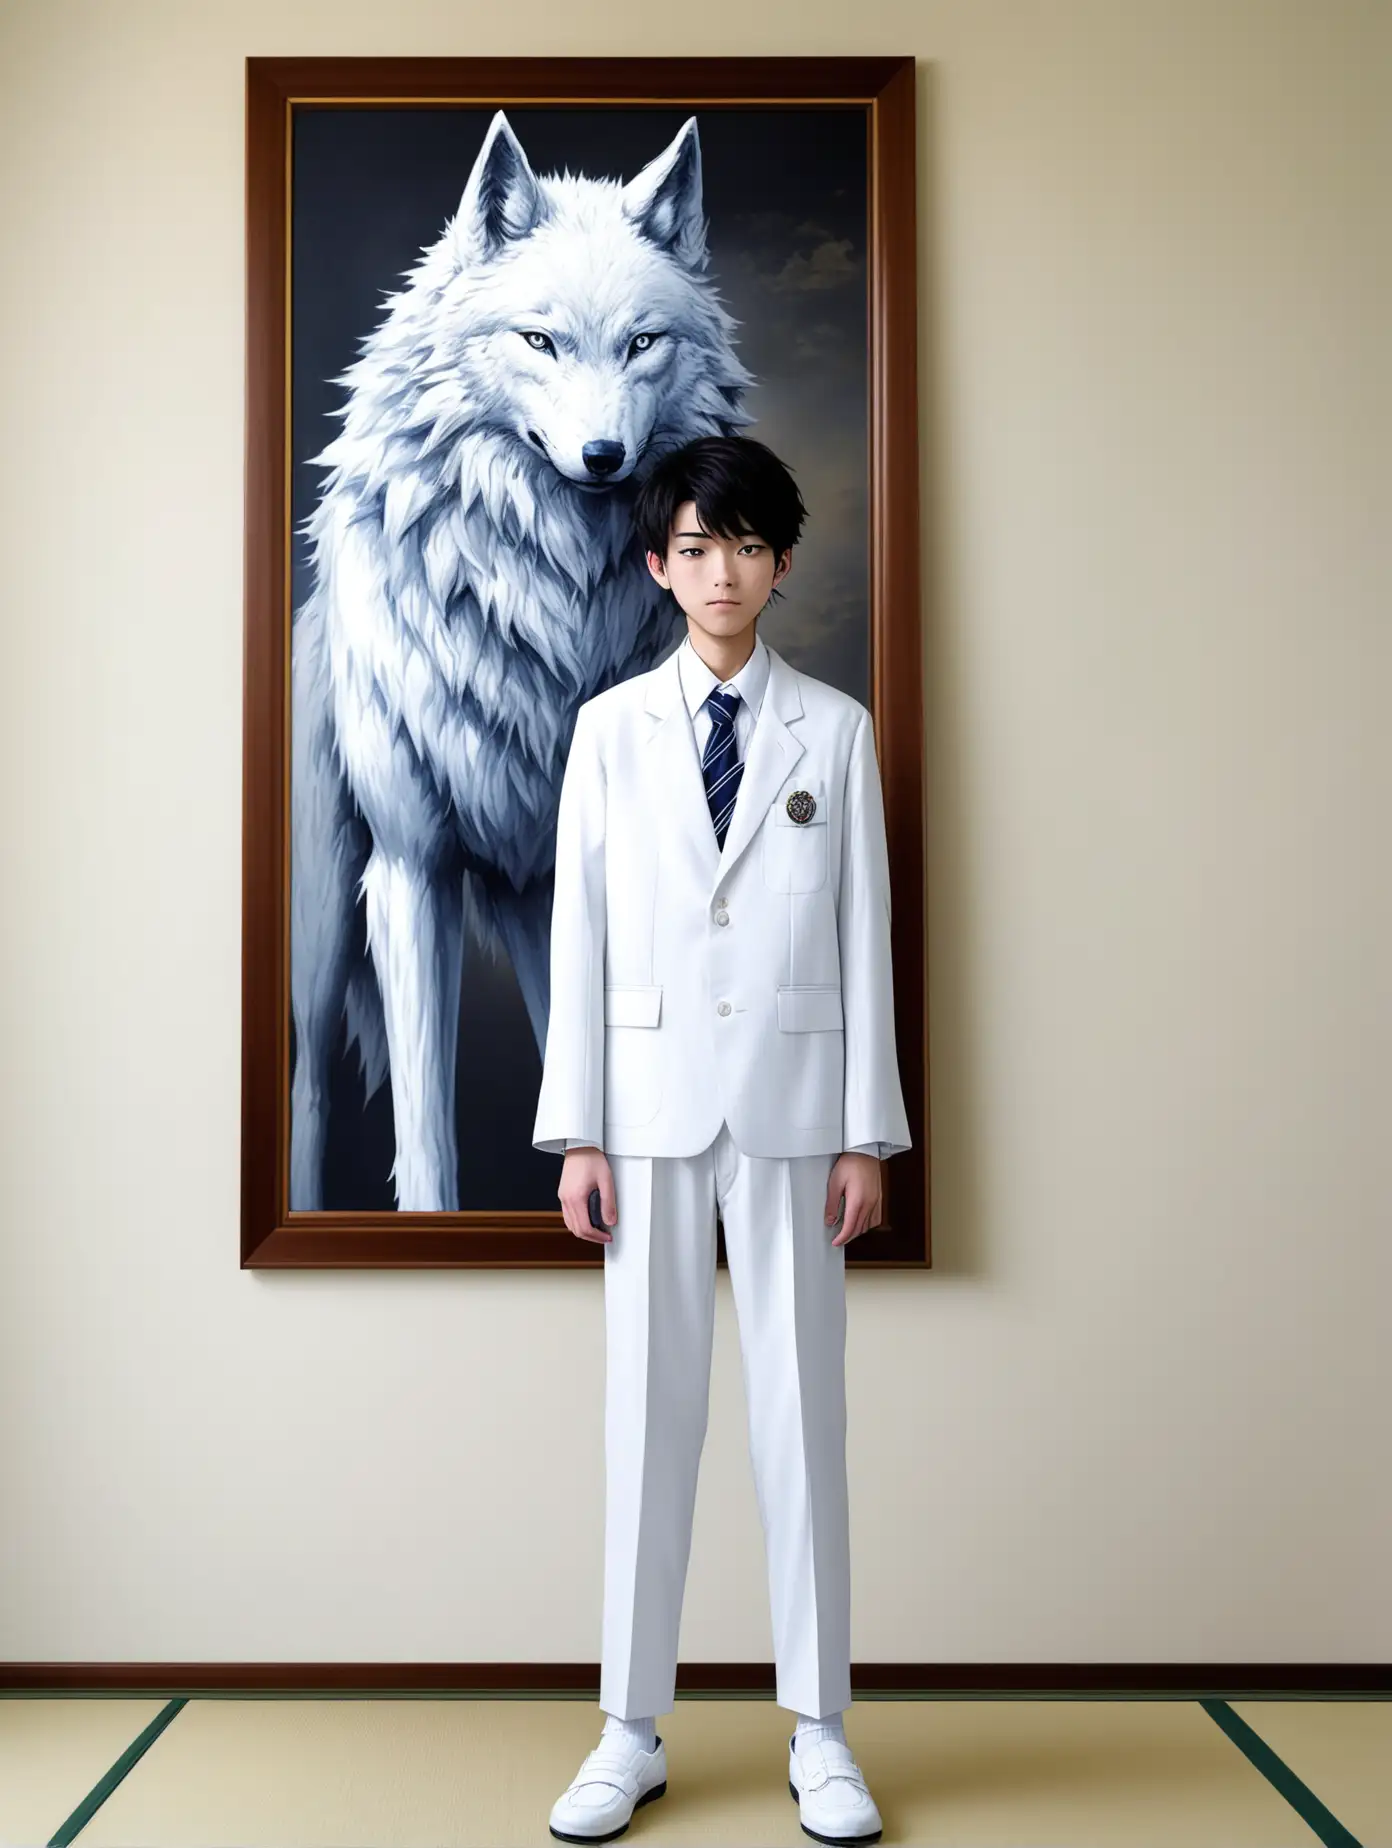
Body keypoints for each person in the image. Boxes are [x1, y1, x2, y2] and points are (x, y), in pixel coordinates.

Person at [533, 434, 912, 1844]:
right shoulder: (608, 732)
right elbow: (581, 934)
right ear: (658, 564)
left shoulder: (839, 729)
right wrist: (576, 1130)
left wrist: (869, 1135)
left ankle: (821, 1731)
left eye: (745, 545)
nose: (721, 571)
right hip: (642, 1116)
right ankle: (630, 1730)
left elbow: (863, 937)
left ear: (783, 562)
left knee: (803, 1416)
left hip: (802, 1114)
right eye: (695, 547)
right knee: (651, 1416)